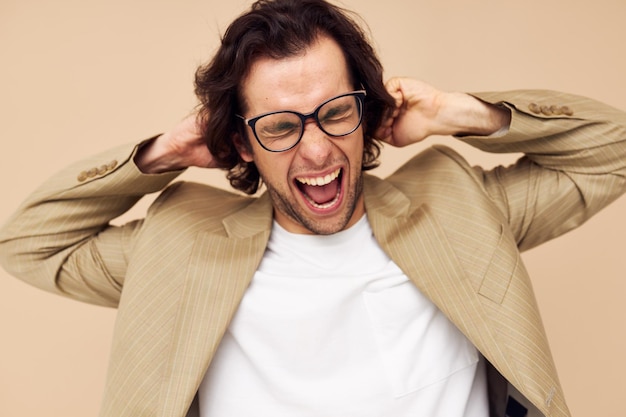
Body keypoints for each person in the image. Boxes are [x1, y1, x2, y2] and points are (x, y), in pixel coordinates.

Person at [1, 0, 625, 416]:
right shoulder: (180, 247)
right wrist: (162, 153)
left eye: (335, 112)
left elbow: (614, 151)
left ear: (365, 114)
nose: (318, 147)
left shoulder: (457, 207)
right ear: (241, 142)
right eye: (279, 126)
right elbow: (28, 243)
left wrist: (461, 113)